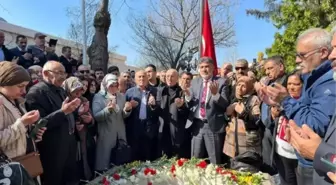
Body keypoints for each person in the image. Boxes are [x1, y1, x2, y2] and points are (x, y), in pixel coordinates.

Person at [25, 61, 82, 185]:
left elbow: (67, 113)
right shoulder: (36, 93)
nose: (63, 77)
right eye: (59, 73)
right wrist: (62, 112)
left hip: (68, 143)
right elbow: (39, 124)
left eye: (64, 73)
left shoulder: (60, 90)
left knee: (70, 179)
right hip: (52, 148)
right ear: (46, 73)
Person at [185, 57, 230, 164]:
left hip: (213, 126)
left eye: (207, 67)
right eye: (201, 67)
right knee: (195, 160)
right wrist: (187, 96)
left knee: (214, 160)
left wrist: (215, 94)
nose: (204, 70)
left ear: (213, 68)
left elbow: (225, 104)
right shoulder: (194, 82)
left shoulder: (221, 82)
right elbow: (190, 103)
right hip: (196, 125)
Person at [0, 62, 46, 158]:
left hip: (24, 161)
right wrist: (22, 123)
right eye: (20, 86)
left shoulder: (17, 101)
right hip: (8, 168)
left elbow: (18, 133)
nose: (24, 91)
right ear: (5, 83)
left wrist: (33, 132)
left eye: (25, 86)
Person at [92, 74, 132, 172]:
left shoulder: (121, 96)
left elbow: (122, 115)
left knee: (120, 163)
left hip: (120, 134)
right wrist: (108, 110)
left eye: (116, 85)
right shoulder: (99, 97)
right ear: (106, 85)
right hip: (106, 135)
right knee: (105, 163)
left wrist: (127, 110)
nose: (114, 88)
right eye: (111, 85)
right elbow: (97, 116)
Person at [224, 76, 262, 171]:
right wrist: (228, 113)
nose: (239, 88)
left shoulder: (254, 100)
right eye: (238, 85)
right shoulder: (235, 98)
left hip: (247, 143)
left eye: (243, 86)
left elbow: (256, 121)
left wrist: (243, 113)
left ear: (249, 87)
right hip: (232, 142)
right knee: (233, 168)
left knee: (247, 169)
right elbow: (227, 117)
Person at [63, 77, 95, 181]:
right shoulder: (64, 101)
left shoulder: (84, 100)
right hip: (69, 138)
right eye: (74, 91)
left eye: (80, 90)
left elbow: (92, 119)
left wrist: (89, 120)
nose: (78, 93)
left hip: (83, 137)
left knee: (84, 160)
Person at [125, 70, 159, 161]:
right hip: (134, 128)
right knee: (134, 156)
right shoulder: (129, 92)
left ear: (147, 78)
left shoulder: (154, 91)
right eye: (139, 77)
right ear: (135, 79)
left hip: (149, 128)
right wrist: (129, 106)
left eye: (143, 76)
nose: (141, 79)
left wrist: (153, 105)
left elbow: (159, 110)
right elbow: (124, 111)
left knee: (148, 156)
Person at [157, 69, 190, 158]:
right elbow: (156, 110)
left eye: (172, 76)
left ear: (177, 78)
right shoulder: (160, 91)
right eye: (167, 76)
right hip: (163, 130)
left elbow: (188, 113)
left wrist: (181, 107)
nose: (169, 78)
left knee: (177, 159)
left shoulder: (182, 92)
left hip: (177, 130)